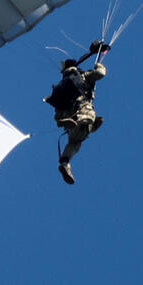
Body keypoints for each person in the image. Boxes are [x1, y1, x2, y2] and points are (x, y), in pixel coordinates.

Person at [44, 41, 109, 185]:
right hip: (81, 109)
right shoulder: (83, 76)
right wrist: (100, 65)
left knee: (75, 141)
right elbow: (100, 73)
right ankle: (78, 123)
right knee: (87, 121)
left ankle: (65, 162)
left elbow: (57, 109)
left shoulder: (63, 84)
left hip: (68, 115)